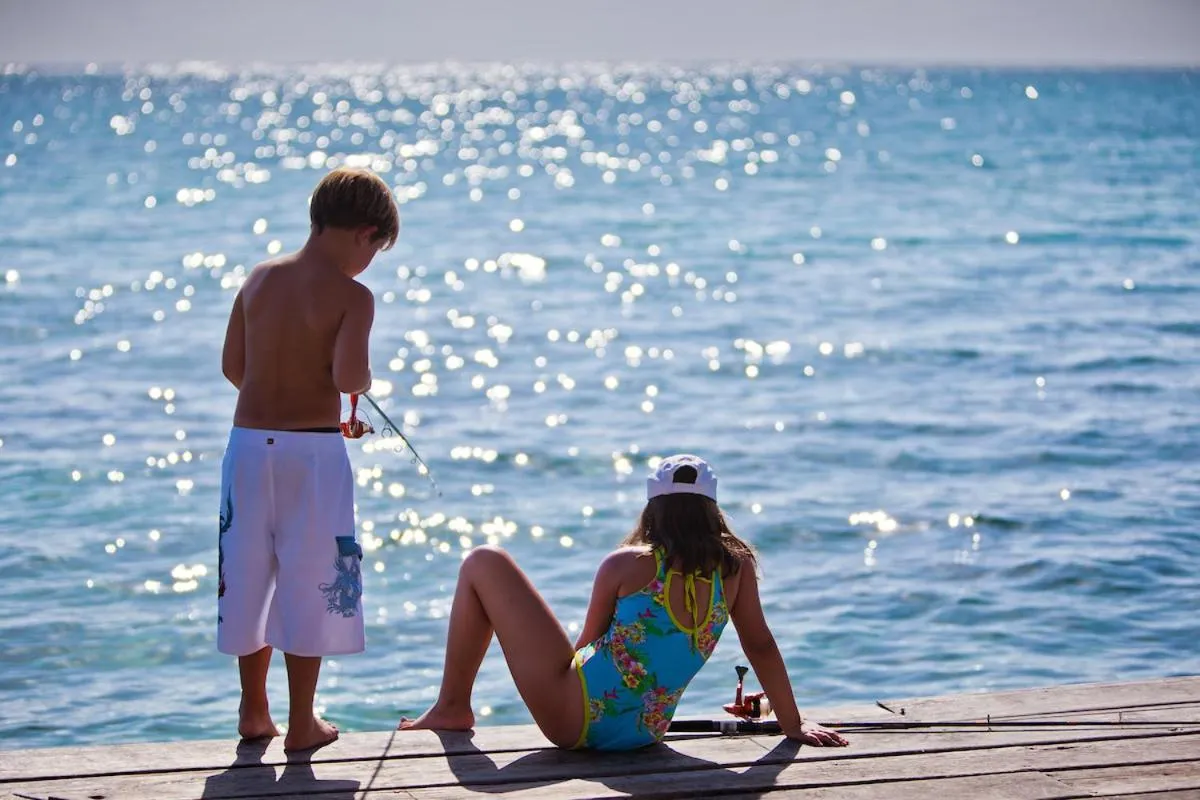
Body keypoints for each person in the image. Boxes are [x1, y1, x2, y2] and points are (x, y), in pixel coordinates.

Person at [399, 454, 849, 750]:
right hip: (645, 732)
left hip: (573, 720)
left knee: (484, 561)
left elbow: (586, 646)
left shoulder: (625, 565)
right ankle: (453, 705)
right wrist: (793, 725)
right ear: (712, 509)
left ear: (652, 509)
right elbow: (762, 645)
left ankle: (453, 705)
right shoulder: (735, 568)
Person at [218, 167, 399, 751]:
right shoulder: (353, 297)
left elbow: (233, 368)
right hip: (312, 456)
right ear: (365, 234)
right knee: (313, 574)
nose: (370, 261)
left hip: (247, 447)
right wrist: (359, 382)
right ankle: (302, 722)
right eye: (376, 248)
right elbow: (349, 375)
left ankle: (253, 710)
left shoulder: (259, 278)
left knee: (247, 571)